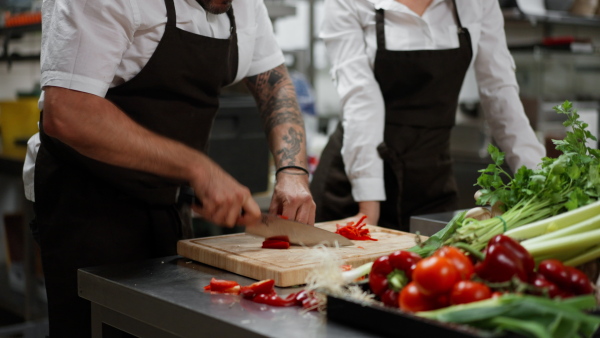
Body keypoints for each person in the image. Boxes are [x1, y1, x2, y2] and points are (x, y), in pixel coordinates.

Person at [22, 0, 315, 336]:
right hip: (86, 203)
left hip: (170, 202)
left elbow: (273, 83)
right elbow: (69, 112)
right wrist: (198, 168)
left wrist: (292, 170)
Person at [310, 0, 546, 230]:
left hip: (432, 186)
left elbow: (500, 92)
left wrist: (539, 179)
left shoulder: (479, 4)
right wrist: (368, 209)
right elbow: (361, 100)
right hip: (353, 189)